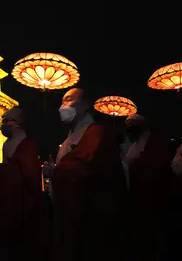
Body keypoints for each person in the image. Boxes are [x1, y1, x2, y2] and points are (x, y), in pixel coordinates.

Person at [51, 88, 127, 261]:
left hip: (92, 216)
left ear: (85, 105)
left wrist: (59, 171)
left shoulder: (97, 133)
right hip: (69, 214)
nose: (63, 106)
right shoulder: (67, 140)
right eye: (62, 101)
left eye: (69, 100)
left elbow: (88, 168)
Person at [0, 107, 48, 261]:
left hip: (22, 203)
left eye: (6, 120)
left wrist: (2, 169)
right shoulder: (7, 144)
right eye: (3, 121)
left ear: (18, 123)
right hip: (7, 202)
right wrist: (0, 168)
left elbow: (29, 175)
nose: (3, 124)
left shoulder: (27, 145)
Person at [124, 113, 173, 260]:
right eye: (128, 126)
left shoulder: (155, 141)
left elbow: (158, 164)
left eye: (132, 126)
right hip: (139, 198)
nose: (130, 129)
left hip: (154, 197)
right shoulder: (134, 145)